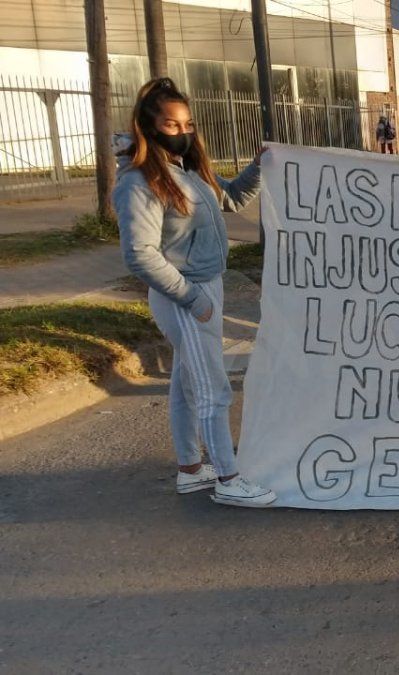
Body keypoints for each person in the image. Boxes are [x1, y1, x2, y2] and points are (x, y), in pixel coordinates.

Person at [114, 78, 276, 507]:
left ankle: (191, 469)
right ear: (148, 127)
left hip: (204, 287)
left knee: (188, 382)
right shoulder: (139, 181)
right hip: (186, 294)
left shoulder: (186, 171)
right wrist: (194, 300)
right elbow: (140, 255)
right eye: (171, 124)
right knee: (212, 387)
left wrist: (259, 165)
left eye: (187, 123)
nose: (182, 131)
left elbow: (234, 198)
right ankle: (228, 478)